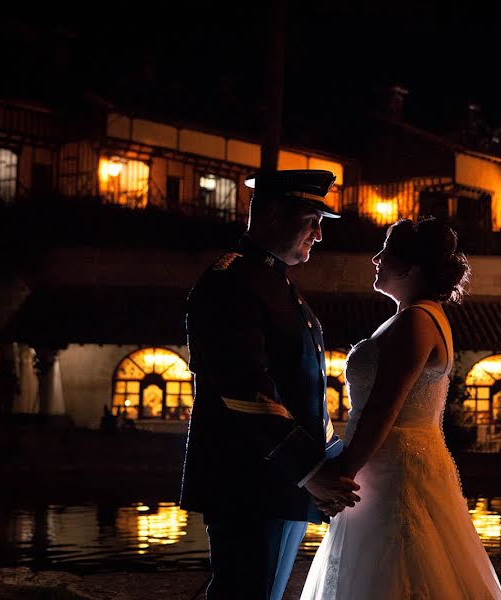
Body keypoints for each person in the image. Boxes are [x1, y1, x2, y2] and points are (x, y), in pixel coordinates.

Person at [302, 217, 501, 599]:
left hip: (395, 469)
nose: (376, 258)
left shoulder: (417, 321)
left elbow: (384, 408)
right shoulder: (413, 317)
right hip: (385, 467)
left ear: (409, 267)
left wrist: (341, 474)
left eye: (387, 251)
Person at [180, 169, 360, 600]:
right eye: (312, 220)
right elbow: (246, 391)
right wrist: (312, 471)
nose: (319, 235)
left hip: (280, 479)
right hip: (248, 478)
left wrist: (333, 460)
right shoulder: (231, 282)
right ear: (274, 214)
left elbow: (304, 394)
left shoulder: (273, 284)